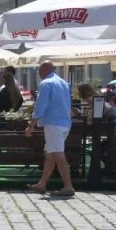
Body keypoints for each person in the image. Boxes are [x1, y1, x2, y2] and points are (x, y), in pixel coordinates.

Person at [26, 59, 75, 197]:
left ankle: (68, 186)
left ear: (44, 70)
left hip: (53, 123)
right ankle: (42, 184)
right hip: (65, 123)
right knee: (50, 154)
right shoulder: (64, 83)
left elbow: (40, 107)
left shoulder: (46, 84)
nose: (39, 73)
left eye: (39, 70)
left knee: (58, 155)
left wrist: (31, 126)